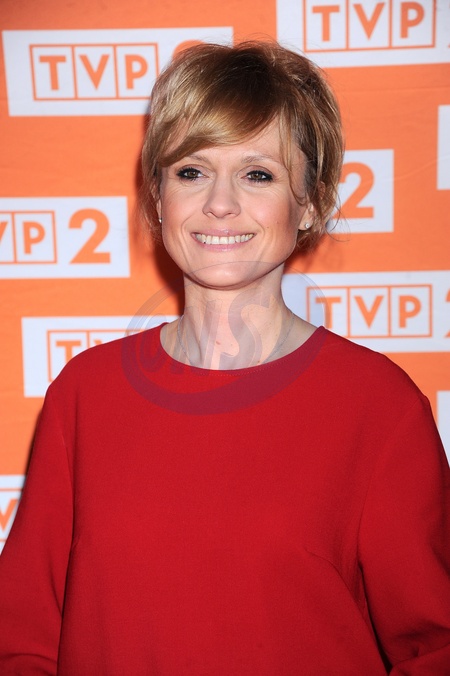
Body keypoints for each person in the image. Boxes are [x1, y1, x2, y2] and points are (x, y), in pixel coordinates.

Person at [0, 41, 449, 675]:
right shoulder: (85, 395)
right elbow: (22, 638)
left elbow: (436, 646)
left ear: (311, 202)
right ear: (158, 196)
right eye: (191, 171)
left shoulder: (379, 408)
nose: (219, 202)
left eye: (257, 174)